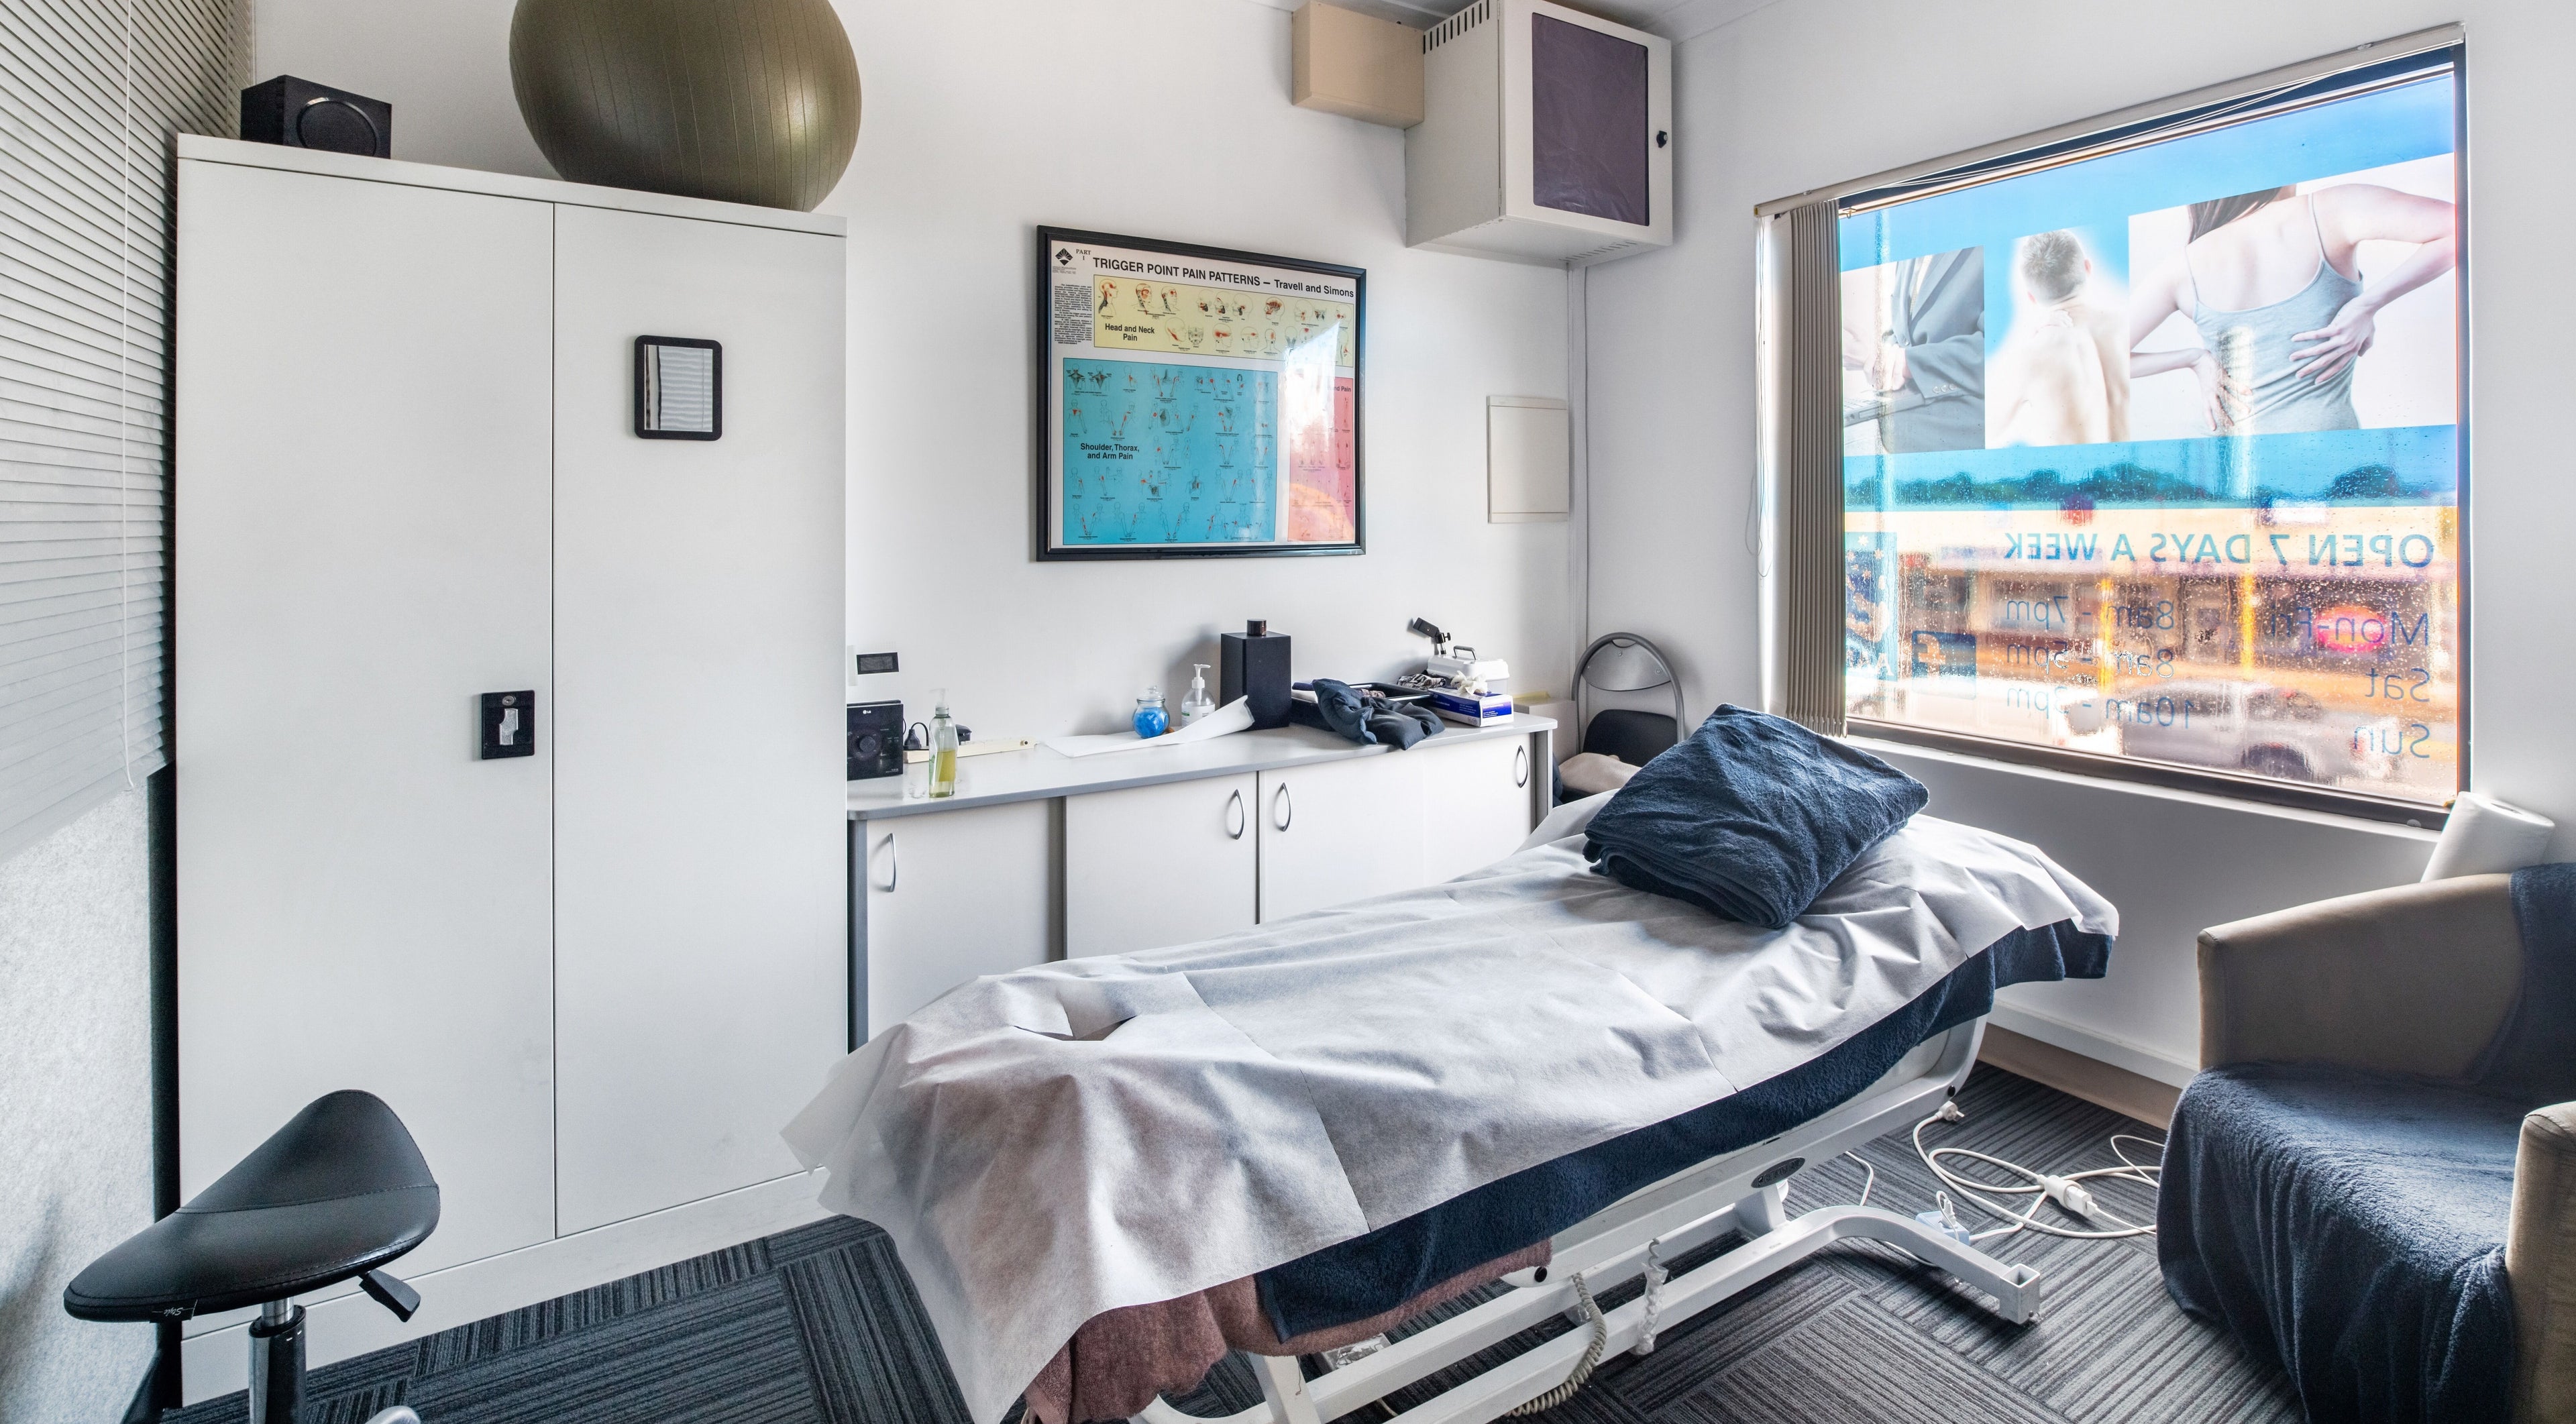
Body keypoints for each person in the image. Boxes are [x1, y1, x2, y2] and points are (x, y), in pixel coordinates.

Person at [2129, 181, 2455, 433]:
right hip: (2326, 454)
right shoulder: (2331, 210)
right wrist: (2367, 305)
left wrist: (2194, 359)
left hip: (2222, 462)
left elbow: (2094, 358)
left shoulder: (2180, 267)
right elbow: (2459, 226)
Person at [1990, 230, 2131, 446]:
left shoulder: (2029, 357)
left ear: (2031, 297)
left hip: (2073, 479)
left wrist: (2031, 336)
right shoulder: (2125, 327)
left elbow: (1986, 432)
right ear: (2088, 268)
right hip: (2136, 474)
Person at [1844, 246, 1984, 453]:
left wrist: (1904, 362)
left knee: (1841, 439)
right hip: (1910, 403)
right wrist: (1880, 355)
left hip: (1966, 411)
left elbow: (2004, 348)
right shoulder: (1910, 249)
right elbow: (1906, 333)